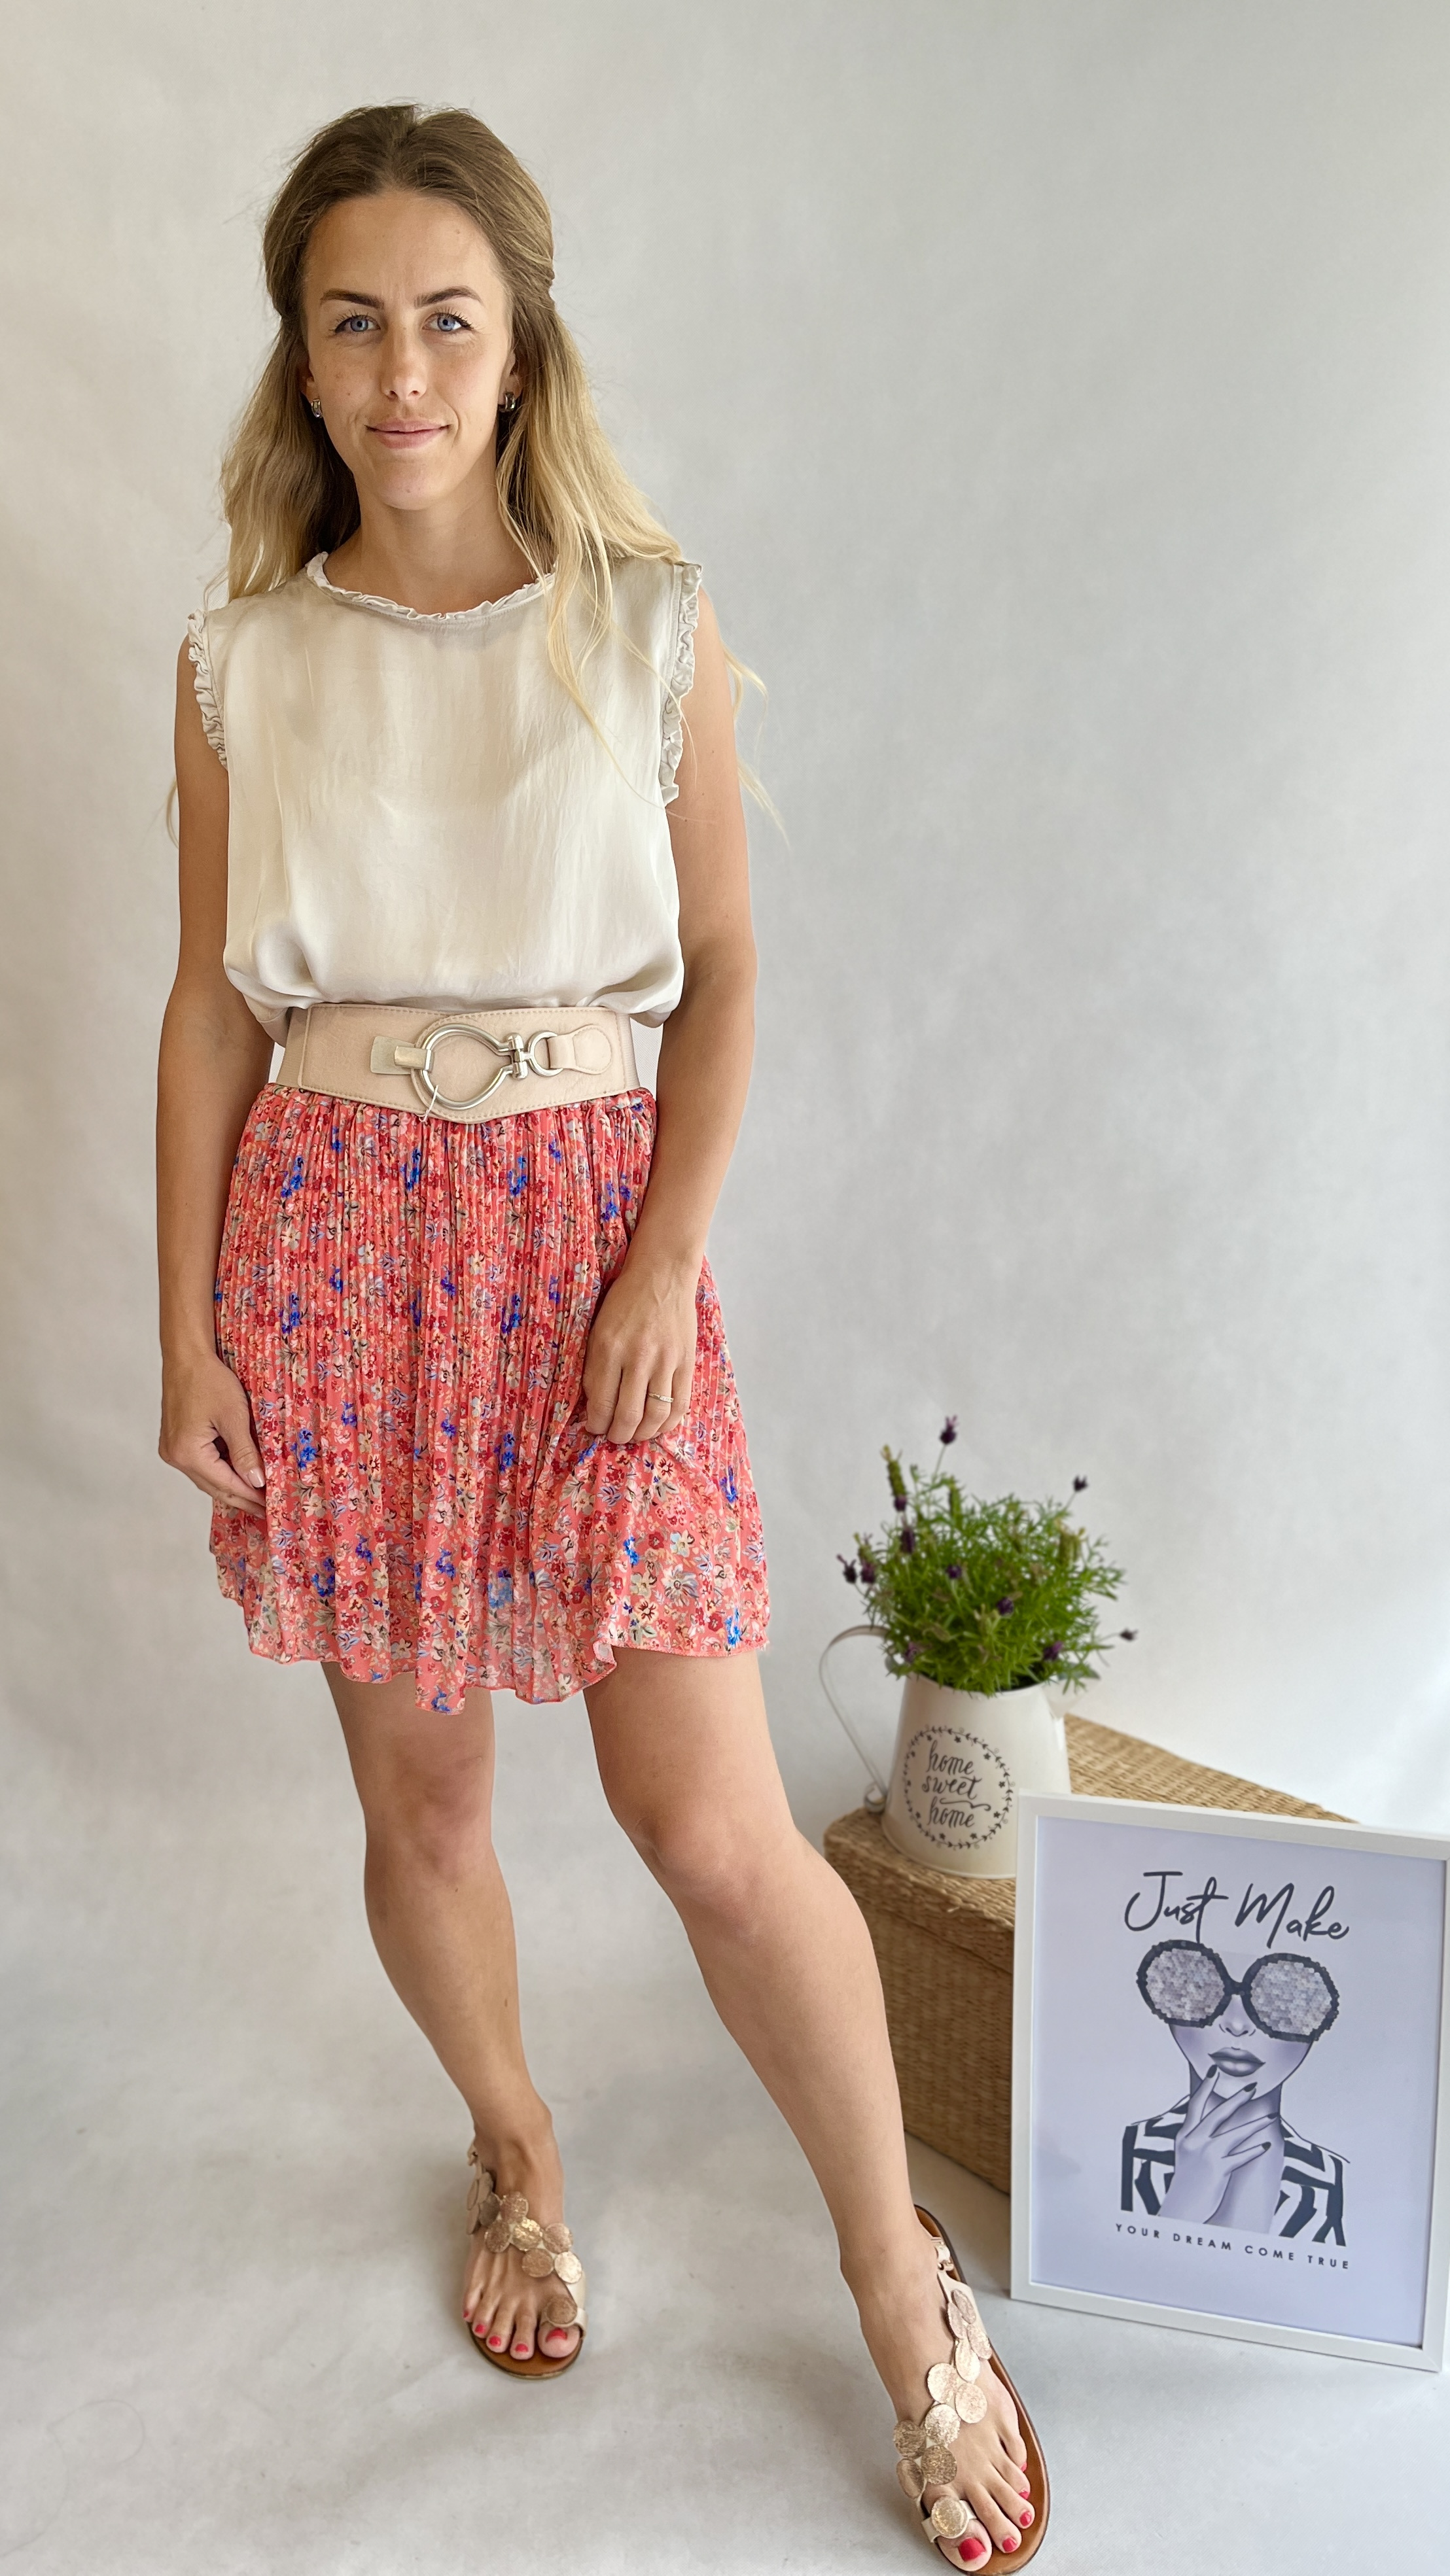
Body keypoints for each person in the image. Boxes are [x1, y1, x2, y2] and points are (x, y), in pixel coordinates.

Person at [156, 103, 1046, 2565]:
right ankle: (519, 2146)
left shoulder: (643, 625)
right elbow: (209, 1012)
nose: (401, 369)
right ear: (300, 357)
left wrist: (660, 1264)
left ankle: (896, 2280)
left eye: (446, 318)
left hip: (586, 1251)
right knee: (426, 1806)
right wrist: (188, 1328)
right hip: (332, 1253)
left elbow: (725, 968)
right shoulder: (244, 661)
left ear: (519, 342)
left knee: (711, 1831)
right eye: (352, 321)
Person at [1122, 1938, 1346, 2242]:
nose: (1237, 2025)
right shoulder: (1124, 2150)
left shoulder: (1338, 2179)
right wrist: (1179, 2211)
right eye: (1196, 1987)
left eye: (1283, 1996)